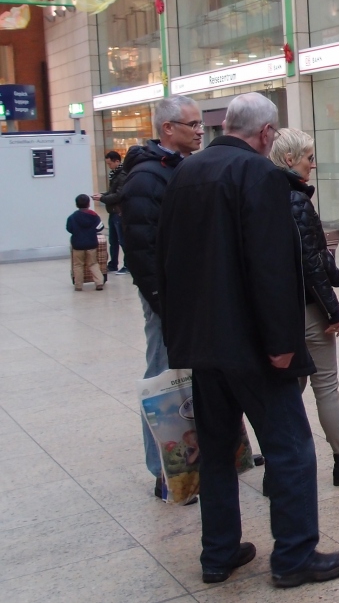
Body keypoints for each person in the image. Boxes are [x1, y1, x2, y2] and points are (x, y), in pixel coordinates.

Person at [157, 93, 339, 588]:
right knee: (291, 449)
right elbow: (271, 266)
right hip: (253, 345)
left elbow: (166, 260)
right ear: (266, 134)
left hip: (203, 345)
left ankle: (218, 553)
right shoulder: (259, 174)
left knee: (217, 449)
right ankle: (294, 556)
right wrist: (282, 342)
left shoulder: (185, 172)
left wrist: (180, 334)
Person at [269, 128, 339, 486]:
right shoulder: (297, 200)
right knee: (326, 385)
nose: (313, 165)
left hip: (281, 312)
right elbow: (311, 263)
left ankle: (276, 467)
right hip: (308, 309)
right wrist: (333, 311)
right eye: (308, 158)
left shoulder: (263, 194)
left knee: (289, 389)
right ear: (289, 159)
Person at [116, 94, 203, 500]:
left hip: (189, 294)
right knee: (163, 380)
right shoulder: (146, 178)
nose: (200, 131)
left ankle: (204, 457)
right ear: (168, 128)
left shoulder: (181, 167)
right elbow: (140, 248)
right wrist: (160, 301)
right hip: (166, 300)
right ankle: (165, 471)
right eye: (192, 124)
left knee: (193, 377)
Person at [94, 150, 127, 274]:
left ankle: (127, 265)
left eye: (110, 163)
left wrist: (102, 198)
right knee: (113, 240)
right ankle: (113, 264)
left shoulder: (122, 175)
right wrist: (102, 195)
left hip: (119, 212)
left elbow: (118, 195)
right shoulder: (114, 174)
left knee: (122, 240)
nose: (109, 166)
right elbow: (112, 192)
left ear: (117, 161)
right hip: (113, 212)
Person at [66, 194, 104, 291]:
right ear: (89, 204)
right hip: (91, 244)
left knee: (78, 265)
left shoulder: (72, 217)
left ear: (76, 204)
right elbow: (100, 227)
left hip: (77, 244)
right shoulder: (94, 216)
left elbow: (69, 229)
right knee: (93, 264)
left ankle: (78, 285)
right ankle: (99, 282)